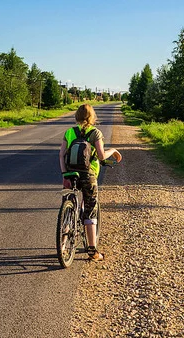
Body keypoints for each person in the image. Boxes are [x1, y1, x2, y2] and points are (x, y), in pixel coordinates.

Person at [59, 104, 122, 261]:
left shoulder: (69, 132)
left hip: (70, 174)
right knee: (90, 210)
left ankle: (63, 243)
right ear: (92, 117)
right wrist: (113, 151)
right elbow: (101, 156)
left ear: (77, 116)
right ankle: (92, 251)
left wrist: (64, 174)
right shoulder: (95, 133)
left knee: (69, 204)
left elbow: (61, 155)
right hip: (88, 176)